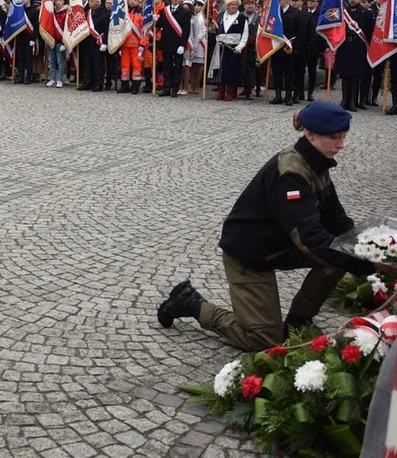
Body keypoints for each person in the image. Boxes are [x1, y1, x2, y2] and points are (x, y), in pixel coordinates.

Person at [157, 102, 383, 351]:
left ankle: (298, 321)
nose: (342, 144)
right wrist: (367, 265)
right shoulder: (291, 173)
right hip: (249, 254)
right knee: (265, 341)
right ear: (310, 134)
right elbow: (309, 239)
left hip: (279, 244)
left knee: (339, 253)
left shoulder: (317, 161)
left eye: (343, 137)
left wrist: (373, 249)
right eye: (334, 138)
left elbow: (337, 220)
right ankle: (190, 304)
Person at [211, 0, 248, 100]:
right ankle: (220, 91)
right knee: (219, 69)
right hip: (221, 46)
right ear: (227, 5)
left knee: (231, 71)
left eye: (236, 4)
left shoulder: (242, 18)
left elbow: (244, 35)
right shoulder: (220, 16)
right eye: (232, 4)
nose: (234, 6)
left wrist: (239, 47)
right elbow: (214, 28)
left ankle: (230, 92)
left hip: (233, 48)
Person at [158, 0, 191, 97]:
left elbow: (186, 30)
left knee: (177, 68)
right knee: (166, 67)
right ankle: (166, 88)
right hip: (166, 43)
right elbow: (159, 25)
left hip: (178, 45)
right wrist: (153, 19)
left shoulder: (185, 12)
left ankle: (175, 89)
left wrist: (183, 45)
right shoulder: (164, 11)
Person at [46, 0, 68, 87]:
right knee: (52, 61)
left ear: (63, 2)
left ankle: (60, 79)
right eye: (57, 0)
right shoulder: (51, 12)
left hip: (61, 41)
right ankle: (52, 78)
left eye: (60, 0)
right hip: (51, 39)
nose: (58, 2)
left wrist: (65, 43)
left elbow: (68, 28)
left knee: (60, 61)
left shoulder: (66, 13)